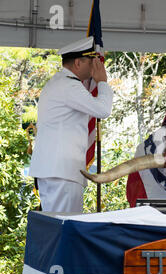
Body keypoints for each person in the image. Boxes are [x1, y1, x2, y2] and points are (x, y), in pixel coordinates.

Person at [29, 36, 113, 213]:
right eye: (92, 62)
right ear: (77, 63)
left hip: (56, 170)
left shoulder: (59, 83)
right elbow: (103, 110)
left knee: (56, 226)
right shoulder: (69, 86)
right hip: (61, 172)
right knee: (63, 226)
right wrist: (103, 82)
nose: (95, 66)